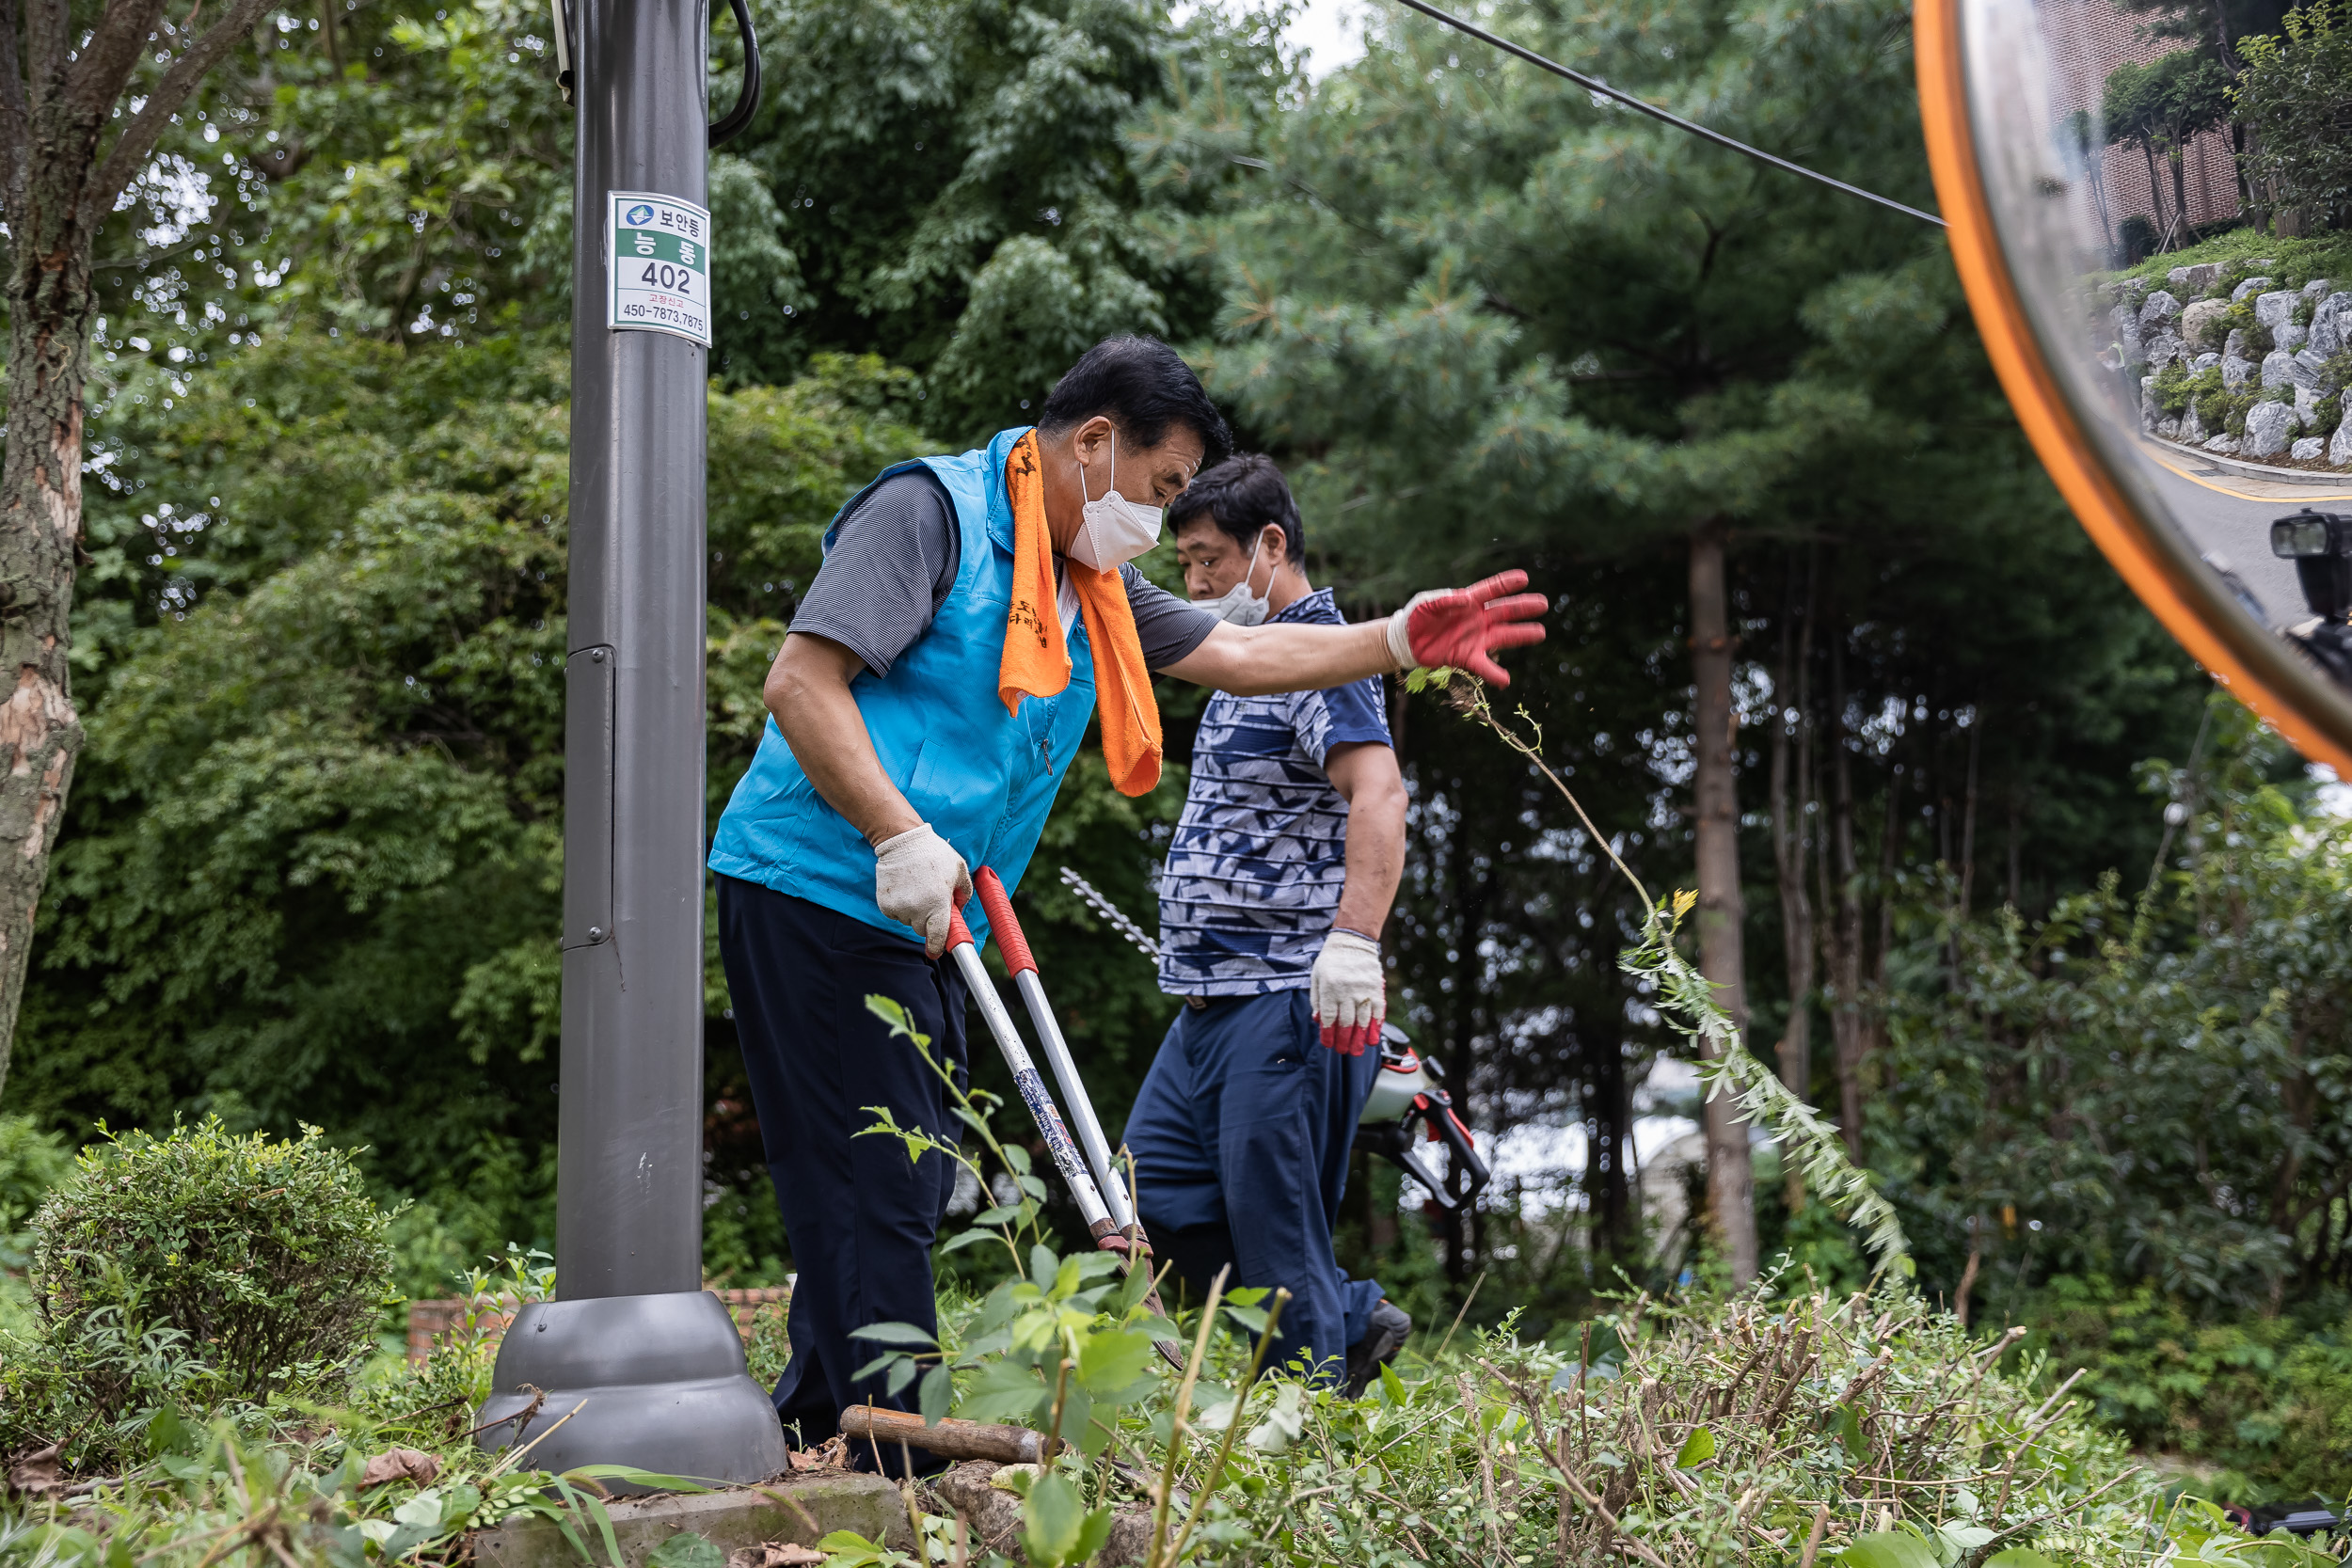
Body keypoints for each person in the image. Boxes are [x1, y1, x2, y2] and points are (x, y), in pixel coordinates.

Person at [707, 335, 1545, 1470]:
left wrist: (1397, 639)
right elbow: (800, 681)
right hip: (821, 880)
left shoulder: (1087, 587)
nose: (1155, 526)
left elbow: (1247, 651)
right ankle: (886, 1454)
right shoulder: (932, 513)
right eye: (1157, 490)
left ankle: (824, 1421)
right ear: (1095, 441)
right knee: (883, 1167)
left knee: (891, 1157)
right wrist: (895, 830)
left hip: (923, 905)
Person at [1120, 454, 1410, 1394]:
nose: (1195, 582)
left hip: (1286, 998)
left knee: (1276, 1240)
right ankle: (1352, 1313)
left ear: (1270, 544)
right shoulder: (1244, 661)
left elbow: (1379, 789)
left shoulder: (1322, 659)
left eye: (1208, 559)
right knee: (1150, 1199)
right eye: (1186, 562)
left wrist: (1355, 941)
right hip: (1207, 1005)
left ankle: (1305, 1446)